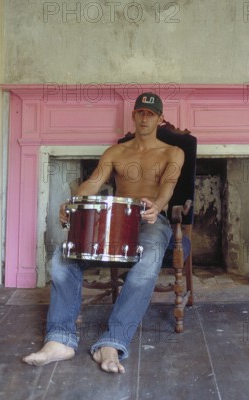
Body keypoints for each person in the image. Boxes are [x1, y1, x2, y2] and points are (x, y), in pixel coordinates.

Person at [22, 92, 184, 374]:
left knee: (148, 260)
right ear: (134, 115)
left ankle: (113, 342)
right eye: (140, 112)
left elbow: (168, 185)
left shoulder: (173, 152)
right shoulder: (116, 152)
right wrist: (72, 203)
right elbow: (93, 183)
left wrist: (157, 206)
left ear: (159, 118)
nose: (144, 118)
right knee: (64, 255)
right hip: (116, 222)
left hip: (150, 220)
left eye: (150, 114)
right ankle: (60, 339)